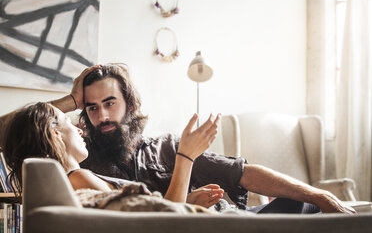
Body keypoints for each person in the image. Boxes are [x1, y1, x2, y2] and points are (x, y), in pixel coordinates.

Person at [1, 63, 355, 214]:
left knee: (305, 204)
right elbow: (16, 133)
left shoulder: (164, 146)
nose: (101, 116)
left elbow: (241, 173)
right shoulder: (79, 162)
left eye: (110, 103)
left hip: (224, 216)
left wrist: (317, 192)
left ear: (129, 105)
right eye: (91, 109)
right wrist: (70, 102)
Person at [3, 102, 223, 210]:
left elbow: (138, 219)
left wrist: (186, 201)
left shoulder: (73, 182)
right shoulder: (79, 179)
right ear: (56, 133)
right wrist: (186, 156)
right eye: (69, 123)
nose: (80, 130)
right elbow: (164, 225)